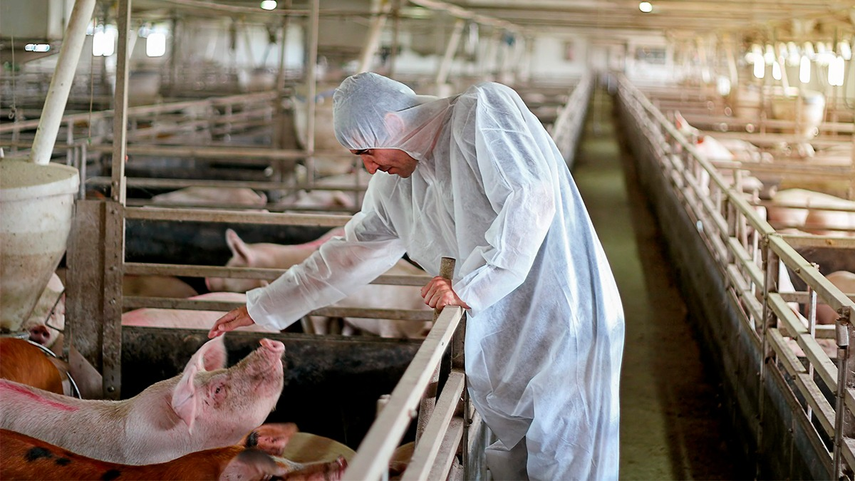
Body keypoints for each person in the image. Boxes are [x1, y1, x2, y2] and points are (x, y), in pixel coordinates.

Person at [208, 72, 625, 480]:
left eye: (368, 152)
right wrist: (260, 305)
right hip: (500, 343)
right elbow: (347, 255)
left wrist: (470, 285)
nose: (370, 168)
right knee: (515, 460)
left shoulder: (480, 113)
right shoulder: (398, 187)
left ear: (393, 124)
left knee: (568, 457)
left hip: (565, 322)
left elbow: (529, 198)